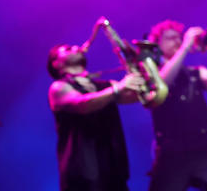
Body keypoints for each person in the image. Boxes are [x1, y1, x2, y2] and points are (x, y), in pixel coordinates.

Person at [145, 20, 207, 191]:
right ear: (157, 44)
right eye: (170, 38)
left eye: (179, 37)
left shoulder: (196, 71)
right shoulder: (152, 73)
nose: (177, 41)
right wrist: (186, 46)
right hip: (171, 153)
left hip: (204, 148)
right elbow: (161, 84)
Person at [47, 42, 147, 191]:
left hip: (113, 171)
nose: (76, 47)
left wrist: (143, 67)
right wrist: (118, 88)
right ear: (56, 64)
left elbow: (143, 96)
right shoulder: (58, 87)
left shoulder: (107, 86)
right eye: (68, 49)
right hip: (83, 176)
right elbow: (82, 104)